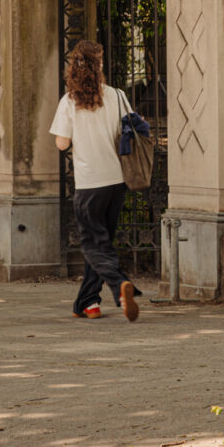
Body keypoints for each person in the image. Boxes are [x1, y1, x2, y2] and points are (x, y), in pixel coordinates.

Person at [50, 39, 140, 323]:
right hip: (116, 181)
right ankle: (88, 303)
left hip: (89, 184)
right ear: (99, 66)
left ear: (74, 68)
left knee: (91, 245)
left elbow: (61, 143)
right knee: (102, 243)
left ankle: (119, 284)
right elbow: (133, 129)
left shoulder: (70, 102)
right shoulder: (117, 95)